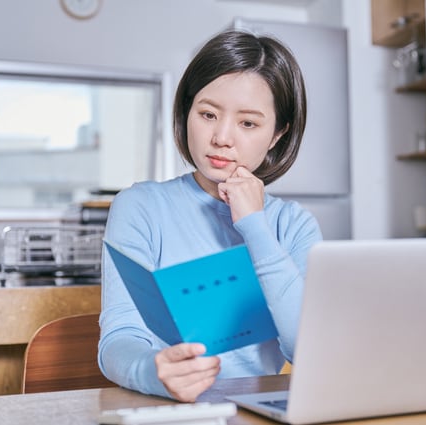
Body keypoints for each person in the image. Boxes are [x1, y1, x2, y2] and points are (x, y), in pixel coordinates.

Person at [98, 29, 322, 402]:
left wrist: (255, 226)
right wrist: (152, 371)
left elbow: (306, 350)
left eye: (248, 123)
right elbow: (119, 338)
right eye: (207, 114)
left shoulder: (293, 225)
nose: (221, 137)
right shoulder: (140, 206)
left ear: (278, 134)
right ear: (187, 111)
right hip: (163, 409)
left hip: (254, 411)